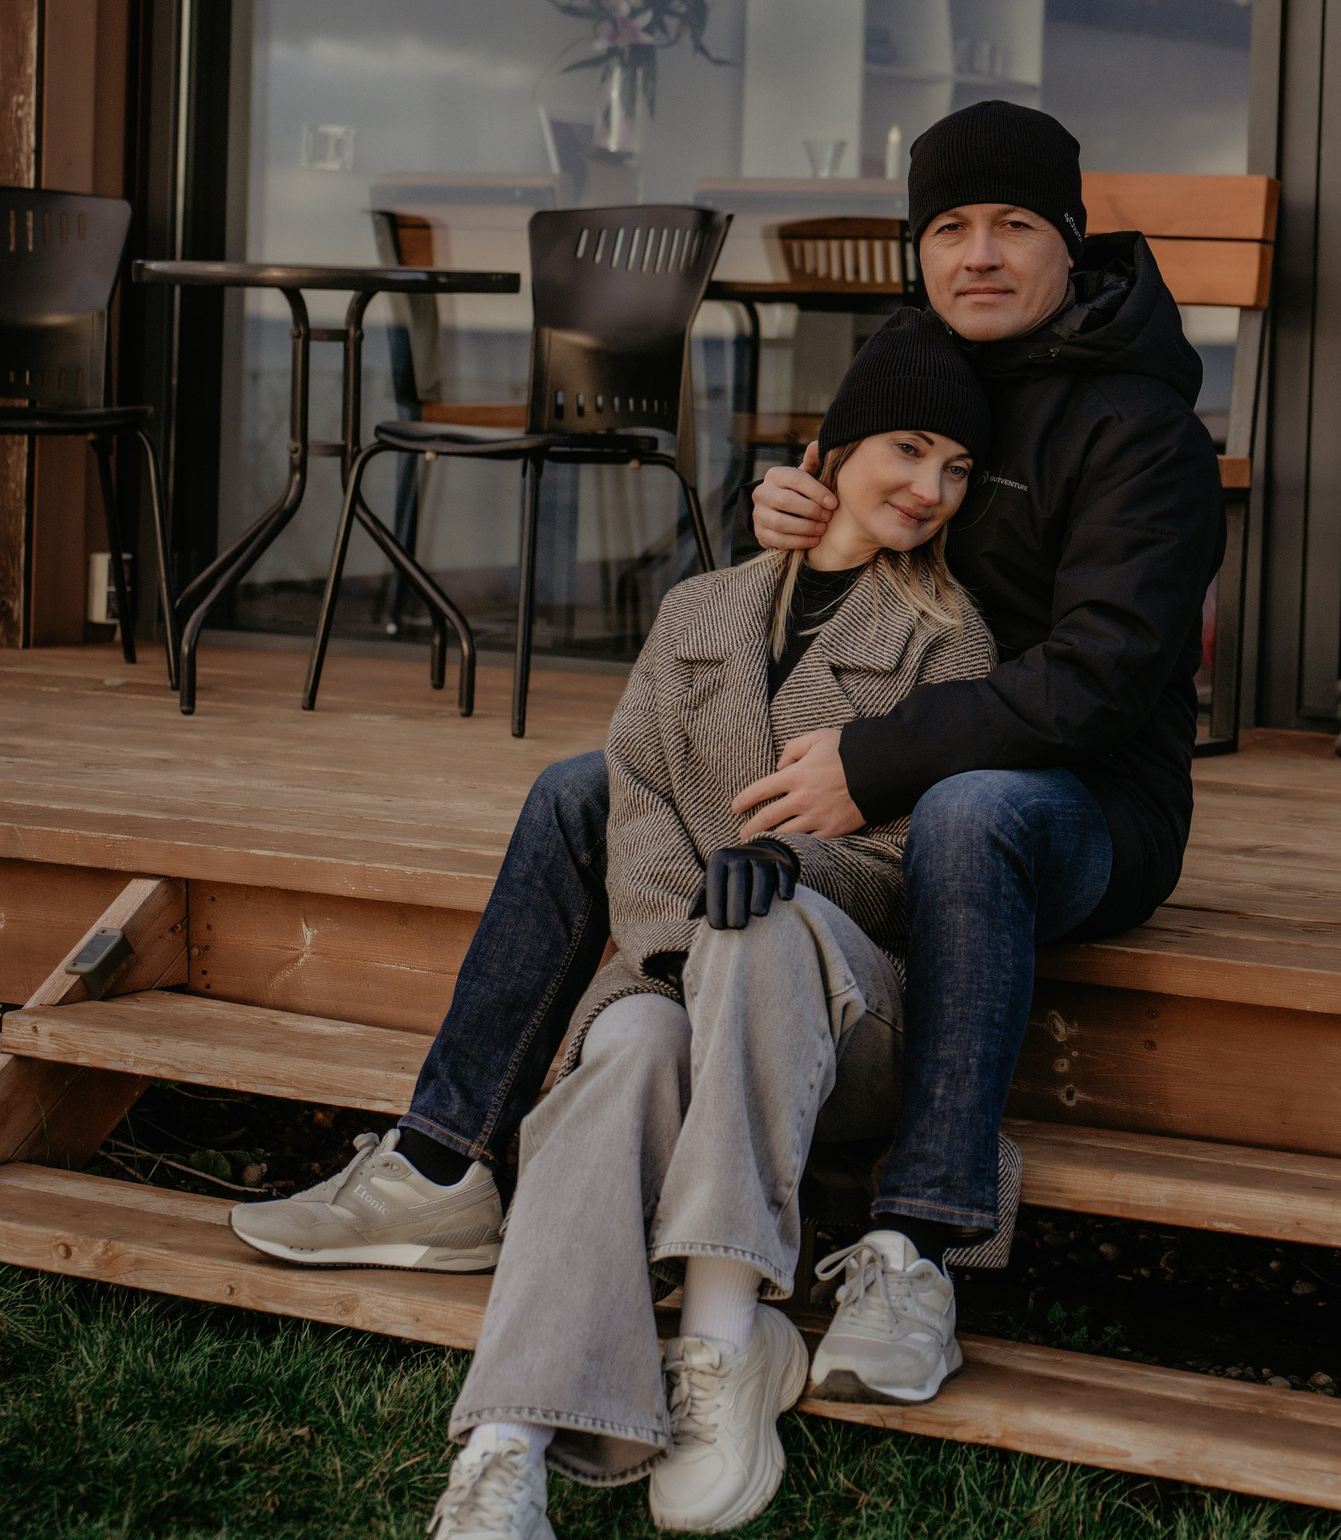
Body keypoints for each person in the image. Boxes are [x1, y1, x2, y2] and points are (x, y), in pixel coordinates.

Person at [238, 100, 1225, 1407]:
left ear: (1072, 238)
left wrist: (873, 761)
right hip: (884, 751)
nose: (979, 254)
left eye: (1013, 226)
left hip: (1079, 801)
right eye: (949, 229)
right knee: (583, 790)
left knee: (975, 812)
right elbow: (845, 523)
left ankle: (919, 1245)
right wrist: (793, 515)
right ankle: (442, 1165)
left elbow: (1104, 674)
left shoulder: (1144, 430)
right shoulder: (915, 354)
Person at [406, 319, 997, 1540]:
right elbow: (632, 803)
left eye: (957, 467)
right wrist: (683, 936)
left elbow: (916, 866)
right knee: (623, 1048)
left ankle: (723, 1336)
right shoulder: (696, 612)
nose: (930, 488)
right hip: (677, 979)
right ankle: (507, 1452)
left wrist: (796, 869)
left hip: (845, 1025)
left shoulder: (950, 640)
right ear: (830, 450)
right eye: (908, 449)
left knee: (762, 927)